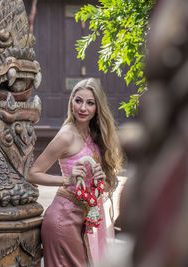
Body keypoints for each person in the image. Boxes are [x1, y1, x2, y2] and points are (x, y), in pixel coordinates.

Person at [28, 78, 123, 266]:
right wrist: (67, 180)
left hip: (85, 217)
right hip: (63, 218)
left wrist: (102, 180)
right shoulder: (66, 136)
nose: (83, 108)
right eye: (78, 100)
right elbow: (32, 174)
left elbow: (104, 185)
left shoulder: (94, 135)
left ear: (97, 107)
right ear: (71, 101)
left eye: (90, 103)